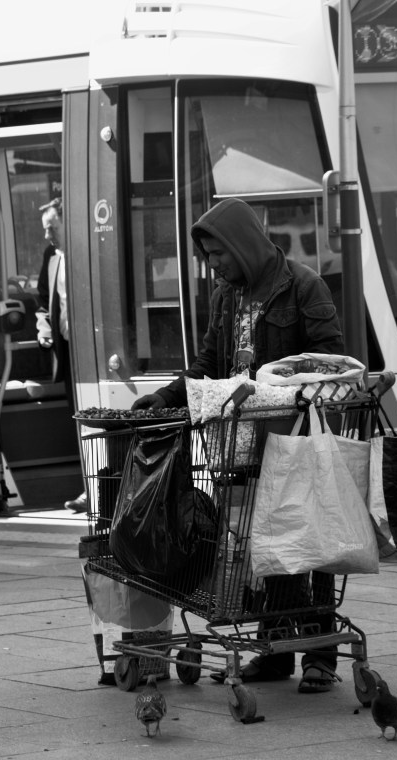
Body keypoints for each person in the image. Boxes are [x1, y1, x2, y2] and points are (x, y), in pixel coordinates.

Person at [133, 197, 345, 693]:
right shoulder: (228, 297)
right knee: (263, 544)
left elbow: (329, 359)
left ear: (241, 244)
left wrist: (280, 386)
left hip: (294, 435)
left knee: (307, 546)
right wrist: (166, 395)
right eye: (207, 257)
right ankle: (273, 653)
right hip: (244, 439)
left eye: (218, 255)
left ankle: (318, 655)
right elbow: (209, 360)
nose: (214, 266)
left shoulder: (304, 286)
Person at [35, 199, 89, 513]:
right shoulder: (53, 258)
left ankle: (98, 488)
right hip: (68, 352)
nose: (47, 236)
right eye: (45, 230)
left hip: (92, 353)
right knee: (79, 421)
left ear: (67, 223)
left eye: (51, 228)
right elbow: (44, 300)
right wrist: (44, 327)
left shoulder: (87, 254)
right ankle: (89, 488)